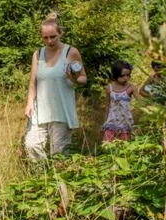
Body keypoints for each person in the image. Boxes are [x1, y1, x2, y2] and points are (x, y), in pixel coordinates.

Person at [24, 12, 87, 160]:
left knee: (58, 154)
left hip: (62, 109)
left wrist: (73, 77)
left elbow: (83, 79)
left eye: (53, 36)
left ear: (60, 33)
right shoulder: (38, 54)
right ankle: (41, 177)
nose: (49, 41)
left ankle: (58, 180)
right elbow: (33, 81)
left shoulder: (71, 52)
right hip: (40, 110)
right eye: (45, 37)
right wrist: (29, 103)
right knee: (31, 145)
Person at [102, 60, 142, 142]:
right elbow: (107, 106)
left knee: (124, 147)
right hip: (111, 122)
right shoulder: (109, 88)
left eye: (128, 75)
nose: (126, 78)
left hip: (125, 123)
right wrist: (105, 123)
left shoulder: (131, 87)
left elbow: (140, 102)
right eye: (122, 76)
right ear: (115, 75)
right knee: (107, 145)